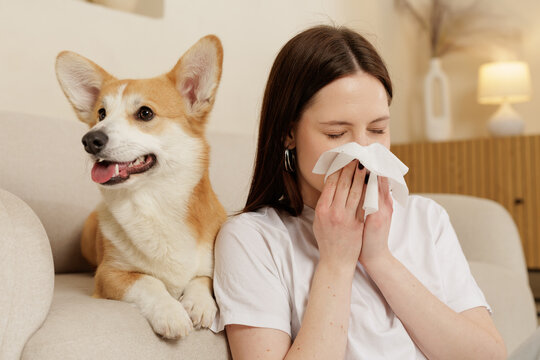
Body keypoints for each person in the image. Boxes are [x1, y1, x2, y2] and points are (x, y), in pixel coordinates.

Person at [211, 25, 506, 359]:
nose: (364, 152)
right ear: (287, 134)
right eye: (337, 133)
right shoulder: (252, 240)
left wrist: (379, 257)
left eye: (378, 129)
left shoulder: (427, 220)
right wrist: (336, 262)